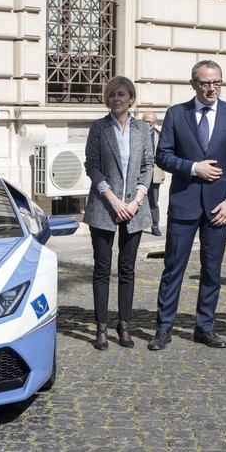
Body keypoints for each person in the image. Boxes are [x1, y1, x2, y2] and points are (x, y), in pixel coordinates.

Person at [147, 60, 226, 350]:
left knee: (211, 270)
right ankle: (163, 329)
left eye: (216, 82)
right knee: (173, 269)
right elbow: (163, 156)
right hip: (184, 203)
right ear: (193, 84)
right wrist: (194, 168)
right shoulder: (177, 114)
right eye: (205, 83)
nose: (211, 88)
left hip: (220, 207)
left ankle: (205, 327)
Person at [83, 76, 154, 350]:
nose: (116, 99)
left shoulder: (141, 129)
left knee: (127, 269)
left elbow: (148, 165)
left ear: (131, 98)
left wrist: (137, 199)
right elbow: (92, 165)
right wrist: (112, 199)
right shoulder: (99, 128)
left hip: (134, 209)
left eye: (121, 94)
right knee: (102, 268)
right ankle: (101, 327)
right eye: (111, 95)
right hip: (104, 207)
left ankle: (124, 324)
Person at [142, 112, 165, 236]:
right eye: (145, 121)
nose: (147, 124)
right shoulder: (136, 133)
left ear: (154, 123)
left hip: (154, 173)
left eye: (149, 122)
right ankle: (137, 224)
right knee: (137, 199)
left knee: (153, 201)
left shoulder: (159, 135)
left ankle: (155, 225)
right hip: (139, 173)